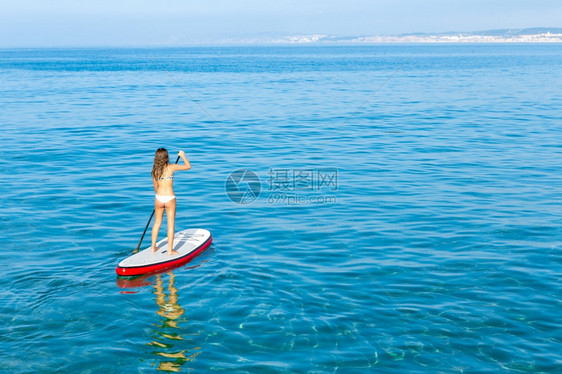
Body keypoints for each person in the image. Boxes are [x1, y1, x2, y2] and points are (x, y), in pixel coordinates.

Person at [151, 148, 191, 255]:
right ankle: (170, 250)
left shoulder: (154, 171)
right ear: (166, 157)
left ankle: (153, 247)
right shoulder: (171, 167)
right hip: (169, 198)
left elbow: (156, 187)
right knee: (170, 224)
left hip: (159, 198)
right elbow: (188, 166)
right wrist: (182, 156)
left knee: (157, 223)